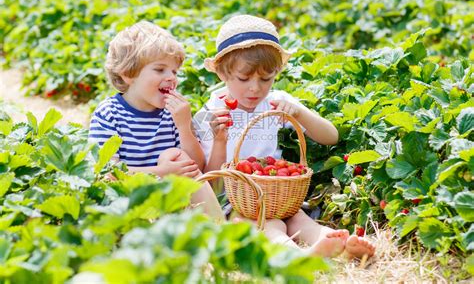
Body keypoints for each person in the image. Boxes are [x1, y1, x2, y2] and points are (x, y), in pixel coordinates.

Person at [194, 14, 375, 258]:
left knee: (298, 218)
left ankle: (332, 241)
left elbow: (330, 136)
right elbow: (211, 181)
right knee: (269, 226)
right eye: (244, 79)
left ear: (276, 73)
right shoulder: (210, 113)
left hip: (278, 193)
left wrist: (299, 113)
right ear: (222, 74)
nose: (255, 88)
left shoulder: (277, 103)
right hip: (236, 202)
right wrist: (219, 140)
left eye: (266, 79)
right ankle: (295, 256)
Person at [88, 20, 224, 220]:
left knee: (174, 154)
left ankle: (217, 228)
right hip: (128, 204)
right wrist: (161, 172)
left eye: (174, 71)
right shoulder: (109, 113)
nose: (171, 77)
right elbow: (105, 174)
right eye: (160, 70)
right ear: (127, 74)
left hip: (171, 203)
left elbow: (195, 169)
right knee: (170, 159)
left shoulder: (171, 114)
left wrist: (184, 126)